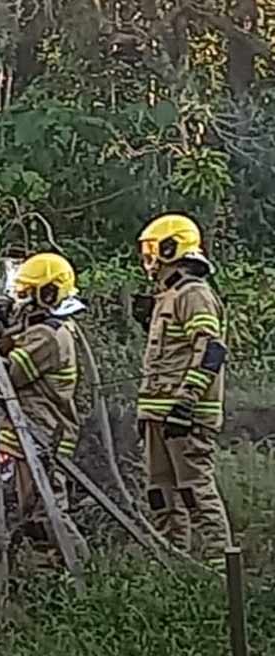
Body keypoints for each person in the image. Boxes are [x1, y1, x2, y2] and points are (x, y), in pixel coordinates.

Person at [0, 252, 87, 547]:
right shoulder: (42, 328)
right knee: (36, 513)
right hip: (31, 436)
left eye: (26, 293)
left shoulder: (49, 335)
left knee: (47, 513)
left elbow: (3, 376)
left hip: (43, 437)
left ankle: (79, 571)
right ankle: (53, 573)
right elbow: (15, 338)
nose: (20, 301)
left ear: (48, 293)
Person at [132, 213, 232, 567]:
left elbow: (211, 349)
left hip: (185, 416)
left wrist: (186, 403)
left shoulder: (194, 295)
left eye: (153, 250)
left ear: (172, 248)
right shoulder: (169, 296)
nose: (149, 259)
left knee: (194, 493)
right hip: (160, 416)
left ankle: (223, 572)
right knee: (161, 496)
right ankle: (175, 568)